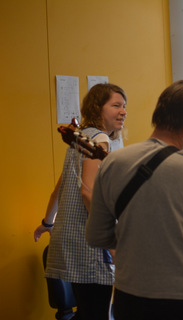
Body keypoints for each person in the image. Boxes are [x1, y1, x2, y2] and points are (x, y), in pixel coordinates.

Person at [85, 80, 183, 320]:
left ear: (158, 115)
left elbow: (96, 236)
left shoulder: (114, 162)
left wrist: (139, 236)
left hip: (133, 295)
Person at [34, 83, 127, 320]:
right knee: (96, 314)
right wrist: (111, 244)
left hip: (72, 242)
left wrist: (47, 222)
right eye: (115, 105)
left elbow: (59, 189)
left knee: (86, 311)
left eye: (124, 106)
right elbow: (89, 192)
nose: (123, 111)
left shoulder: (80, 138)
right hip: (91, 245)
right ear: (98, 108)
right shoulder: (101, 139)